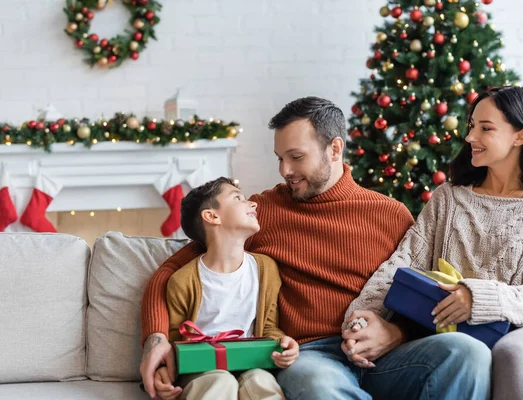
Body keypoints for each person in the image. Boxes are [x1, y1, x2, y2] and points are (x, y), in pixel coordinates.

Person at [140, 96, 491, 400]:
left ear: (334, 149)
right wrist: (157, 339)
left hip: (388, 354)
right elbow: (169, 272)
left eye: (296, 157)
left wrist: (397, 333)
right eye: (280, 158)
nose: (285, 170)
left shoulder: (390, 214)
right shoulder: (264, 212)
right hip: (310, 354)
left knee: (467, 352)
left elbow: (423, 296)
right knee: (316, 382)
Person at [344, 86, 523, 399]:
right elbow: (403, 262)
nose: (470, 137)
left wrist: (477, 298)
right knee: (462, 351)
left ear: (520, 136)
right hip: (456, 337)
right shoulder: (449, 197)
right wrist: (362, 317)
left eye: (485, 128)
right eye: (471, 126)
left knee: (513, 352)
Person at [154, 177, 298, 400]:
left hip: (252, 364)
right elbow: (175, 340)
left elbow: (268, 326)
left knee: (261, 382)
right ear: (212, 216)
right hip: (201, 371)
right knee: (221, 382)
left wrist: (283, 343)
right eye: (238, 198)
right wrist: (165, 369)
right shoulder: (183, 281)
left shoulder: (266, 269)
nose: (253, 203)